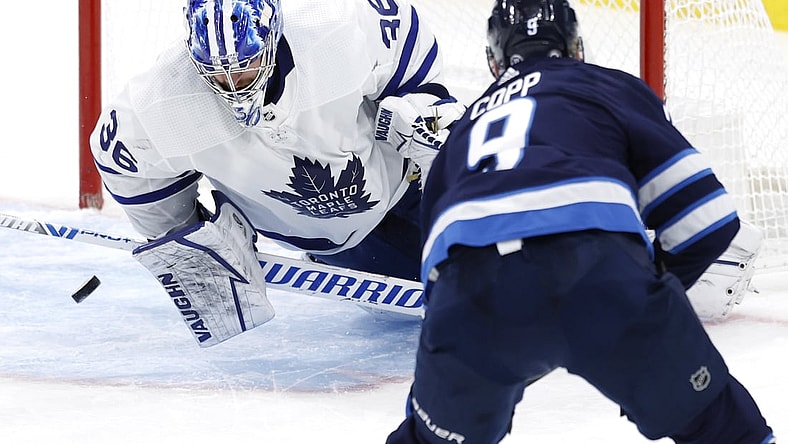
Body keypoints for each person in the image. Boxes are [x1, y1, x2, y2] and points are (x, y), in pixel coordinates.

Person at [385, 0, 776, 442]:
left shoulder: (462, 132)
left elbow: (435, 276)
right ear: (577, 49)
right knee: (726, 430)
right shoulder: (607, 87)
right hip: (601, 276)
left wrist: (490, 348)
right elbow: (710, 220)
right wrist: (649, 288)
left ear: (494, 62)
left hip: (470, 301)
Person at [89, 0, 463, 345]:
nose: (235, 87)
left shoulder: (340, 27)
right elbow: (125, 167)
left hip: (413, 191)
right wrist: (184, 237)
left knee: (504, 269)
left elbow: (411, 58)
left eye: (246, 67)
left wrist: (423, 106)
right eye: (218, 76)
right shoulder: (156, 105)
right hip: (341, 250)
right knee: (444, 312)